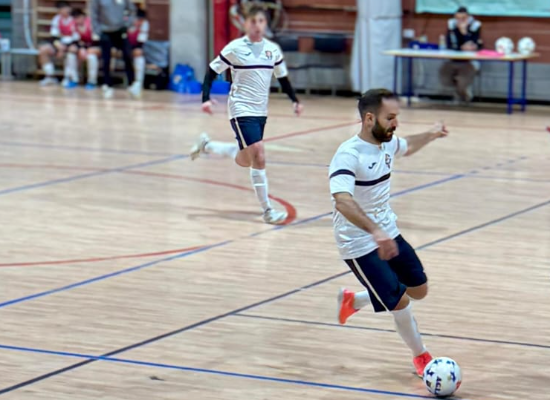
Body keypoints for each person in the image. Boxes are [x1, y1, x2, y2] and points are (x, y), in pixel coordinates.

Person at [331, 89, 448, 377]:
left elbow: (406, 145)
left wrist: (432, 134)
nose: (396, 124)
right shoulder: (349, 154)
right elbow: (342, 201)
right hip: (358, 241)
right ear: (370, 118)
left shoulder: (386, 143)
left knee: (418, 289)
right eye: (390, 117)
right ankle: (422, 357)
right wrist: (374, 232)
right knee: (401, 303)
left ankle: (355, 300)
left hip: (388, 231)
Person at [190, 5, 303, 225]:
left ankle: (207, 146)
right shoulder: (235, 48)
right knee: (258, 153)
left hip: (261, 110)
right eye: (253, 21)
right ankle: (268, 210)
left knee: (245, 157)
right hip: (240, 109)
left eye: (261, 21)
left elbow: (283, 78)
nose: (257, 26)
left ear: (265, 24)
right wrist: (205, 98)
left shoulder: (272, 50)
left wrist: (295, 101)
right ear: (245, 24)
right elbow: (212, 71)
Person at [90, 0, 141, 99]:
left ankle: (132, 83)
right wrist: (98, 30)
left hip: (120, 30)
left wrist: (128, 23)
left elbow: (132, 10)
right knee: (106, 58)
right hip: (105, 31)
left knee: (127, 55)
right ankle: (107, 85)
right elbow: (94, 14)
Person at [439, 6, 483, 103]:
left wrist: (464, 33)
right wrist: (461, 47)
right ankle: (458, 91)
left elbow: (473, 45)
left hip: (469, 61)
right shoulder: (452, 26)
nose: (460, 21)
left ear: (468, 18)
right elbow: (450, 44)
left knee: (462, 81)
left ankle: (463, 92)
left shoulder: (475, 26)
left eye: (463, 18)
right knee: (444, 77)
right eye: (458, 18)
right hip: (453, 59)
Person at [38, 1, 76, 86]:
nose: (64, 10)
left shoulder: (74, 19)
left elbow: (76, 37)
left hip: (71, 44)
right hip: (60, 44)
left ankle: (68, 77)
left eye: (66, 8)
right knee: (43, 49)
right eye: (61, 9)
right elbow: (54, 36)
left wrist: (64, 47)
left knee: (72, 51)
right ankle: (49, 76)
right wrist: (58, 46)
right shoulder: (56, 19)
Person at [70, 9, 101, 90]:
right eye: (75, 18)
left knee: (91, 57)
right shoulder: (74, 26)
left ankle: (92, 81)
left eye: (78, 18)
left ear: (83, 16)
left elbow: (97, 41)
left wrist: (86, 49)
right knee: (71, 55)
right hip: (83, 48)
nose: (76, 20)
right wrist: (81, 49)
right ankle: (74, 79)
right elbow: (75, 41)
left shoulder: (91, 24)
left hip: (96, 47)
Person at [128, 8, 150, 90]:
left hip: (138, 49)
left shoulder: (145, 25)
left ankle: (139, 83)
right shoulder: (128, 24)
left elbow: (141, 42)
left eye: (141, 20)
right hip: (126, 47)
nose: (139, 22)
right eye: (138, 20)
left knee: (139, 58)